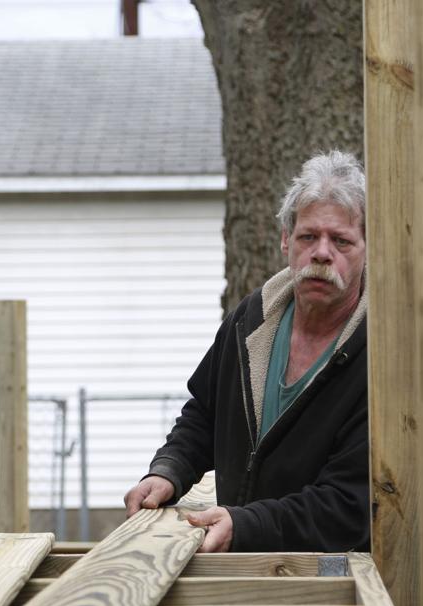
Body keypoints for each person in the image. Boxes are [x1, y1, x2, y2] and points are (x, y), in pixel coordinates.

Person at [123, 150, 369, 553]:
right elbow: (204, 413)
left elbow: (348, 505)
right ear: (286, 240)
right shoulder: (251, 320)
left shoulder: (377, 355)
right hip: (238, 558)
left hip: (332, 574)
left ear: (366, 248)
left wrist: (247, 524)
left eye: (341, 240)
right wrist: (170, 470)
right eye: (309, 236)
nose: (322, 253)